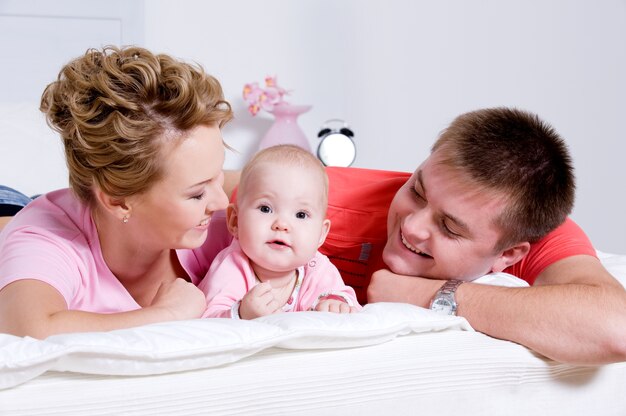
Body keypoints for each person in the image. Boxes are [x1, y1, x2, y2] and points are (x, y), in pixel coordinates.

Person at [319, 107, 626, 365]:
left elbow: (616, 326)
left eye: (449, 227)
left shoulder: (528, 229)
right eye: (417, 192)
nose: (412, 226)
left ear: (508, 254)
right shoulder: (312, 201)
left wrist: (423, 295)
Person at [0, 46, 239, 338]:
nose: (223, 201)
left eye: (219, 175)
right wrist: (169, 314)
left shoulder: (212, 196)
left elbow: (302, 186)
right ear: (118, 200)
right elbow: (28, 330)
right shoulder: (45, 241)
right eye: (197, 194)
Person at [200, 145, 360, 319]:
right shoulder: (232, 267)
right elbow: (208, 322)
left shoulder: (317, 268)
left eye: (301, 214)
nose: (282, 225)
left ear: (321, 234)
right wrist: (240, 313)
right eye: (265, 208)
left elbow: (347, 300)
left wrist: (336, 304)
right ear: (235, 221)